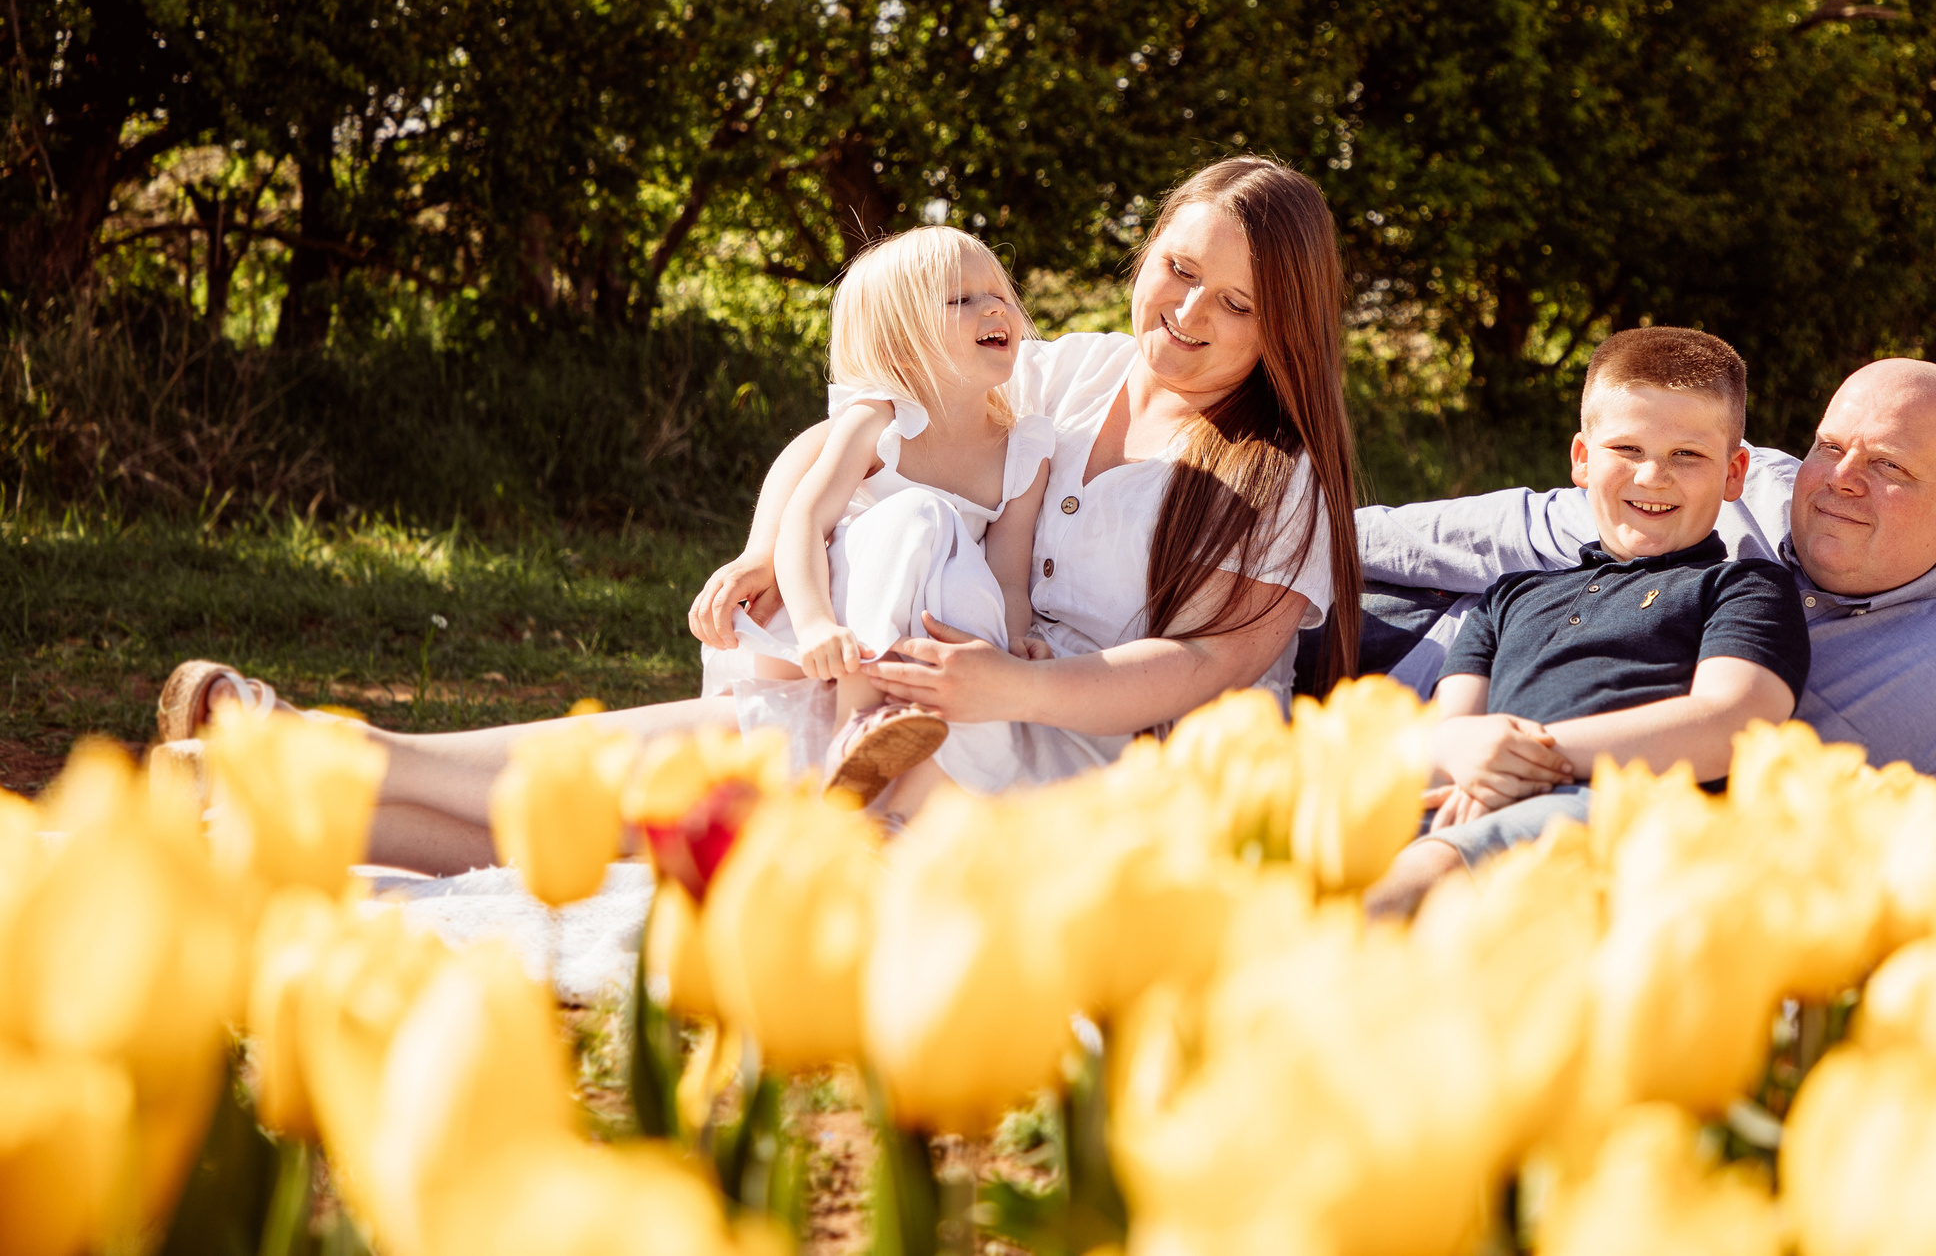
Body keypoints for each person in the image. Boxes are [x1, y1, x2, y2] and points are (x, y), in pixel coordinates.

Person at [154, 156, 1362, 873]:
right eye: (1177, 267)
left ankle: (315, 766)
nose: (1189, 311)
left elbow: (1195, 669)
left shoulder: (1274, 470)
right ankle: (306, 789)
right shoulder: (1063, 369)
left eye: (1238, 304)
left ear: (1285, 329)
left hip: (1085, 766)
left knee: (716, 780)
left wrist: (1008, 687)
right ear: (1147, 248)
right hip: (936, 689)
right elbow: (858, 429)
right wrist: (762, 544)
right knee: (711, 770)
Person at [1355, 357, 1936, 791]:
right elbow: (1521, 527)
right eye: (1831, 446)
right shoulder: (1739, 488)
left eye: (1888, 465)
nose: (1839, 479)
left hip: (1518, 783)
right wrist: (1301, 535)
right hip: (1426, 650)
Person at [1363, 328, 1810, 919]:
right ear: (1582, 460)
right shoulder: (1511, 595)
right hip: (1474, 800)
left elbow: (1730, 723)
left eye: (1687, 454)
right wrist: (1472, 754)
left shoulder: (1742, 586)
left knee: (1415, 883)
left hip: (1624, 812)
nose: (1653, 476)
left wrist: (1523, 758)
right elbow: (1450, 731)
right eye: (1627, 449)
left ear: (1734, 473)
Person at [704, 225, 1056, 804]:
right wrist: (816, 621)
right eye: (960, 299)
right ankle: (856, 721)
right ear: (899, 341)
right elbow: (806, 522)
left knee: (967, 580)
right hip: (846, 608)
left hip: (926, 623)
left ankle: (944, 769)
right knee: (922, 515)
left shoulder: (1024, 450)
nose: (994, 306)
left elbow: (1007, 577)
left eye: (1000, 293)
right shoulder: (881, 421)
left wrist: (1018, 643)